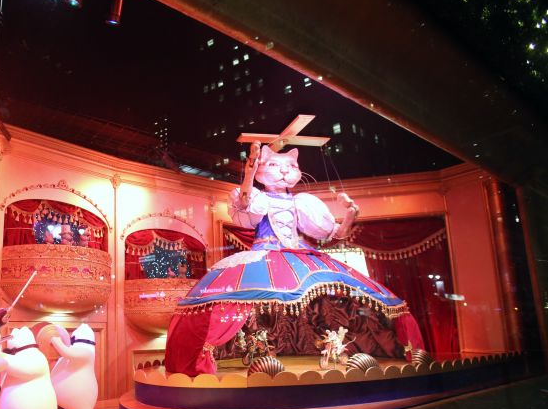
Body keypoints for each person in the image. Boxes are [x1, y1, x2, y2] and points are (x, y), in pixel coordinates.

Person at [165, 142, 422, 376]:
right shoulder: (259, 198)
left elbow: (335, 233)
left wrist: (350, 215)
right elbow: (244, 204)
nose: (283, 172)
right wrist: (249, 170)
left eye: (290, 166)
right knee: (236, 293)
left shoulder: (302, 201)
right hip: (265, 250)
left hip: (299, 252)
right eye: (274, 166)